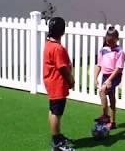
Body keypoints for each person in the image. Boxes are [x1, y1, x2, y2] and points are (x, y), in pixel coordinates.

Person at [43, 17, 76, 151]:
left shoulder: (49, 44)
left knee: (53, 110)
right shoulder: (57, 48)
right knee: (57, 112)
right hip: (57, 84)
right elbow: (63, 68)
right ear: (62, 31)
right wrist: (71, 80)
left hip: (51, 82)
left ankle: (56, 135)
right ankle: (57, 142)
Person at [94, 26, 125, 130]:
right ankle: (113, 122)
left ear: (117, 39)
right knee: (111, 96)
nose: (110, 43)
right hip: (105, 76)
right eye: (108, 41)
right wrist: (95, 78)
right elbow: (99, 65)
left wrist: (109, 80)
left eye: (112, 41)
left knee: (102, 91)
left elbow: (118, 68)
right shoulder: (103, 50)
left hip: (115, 76)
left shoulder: (120, 51)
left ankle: (105, 116)